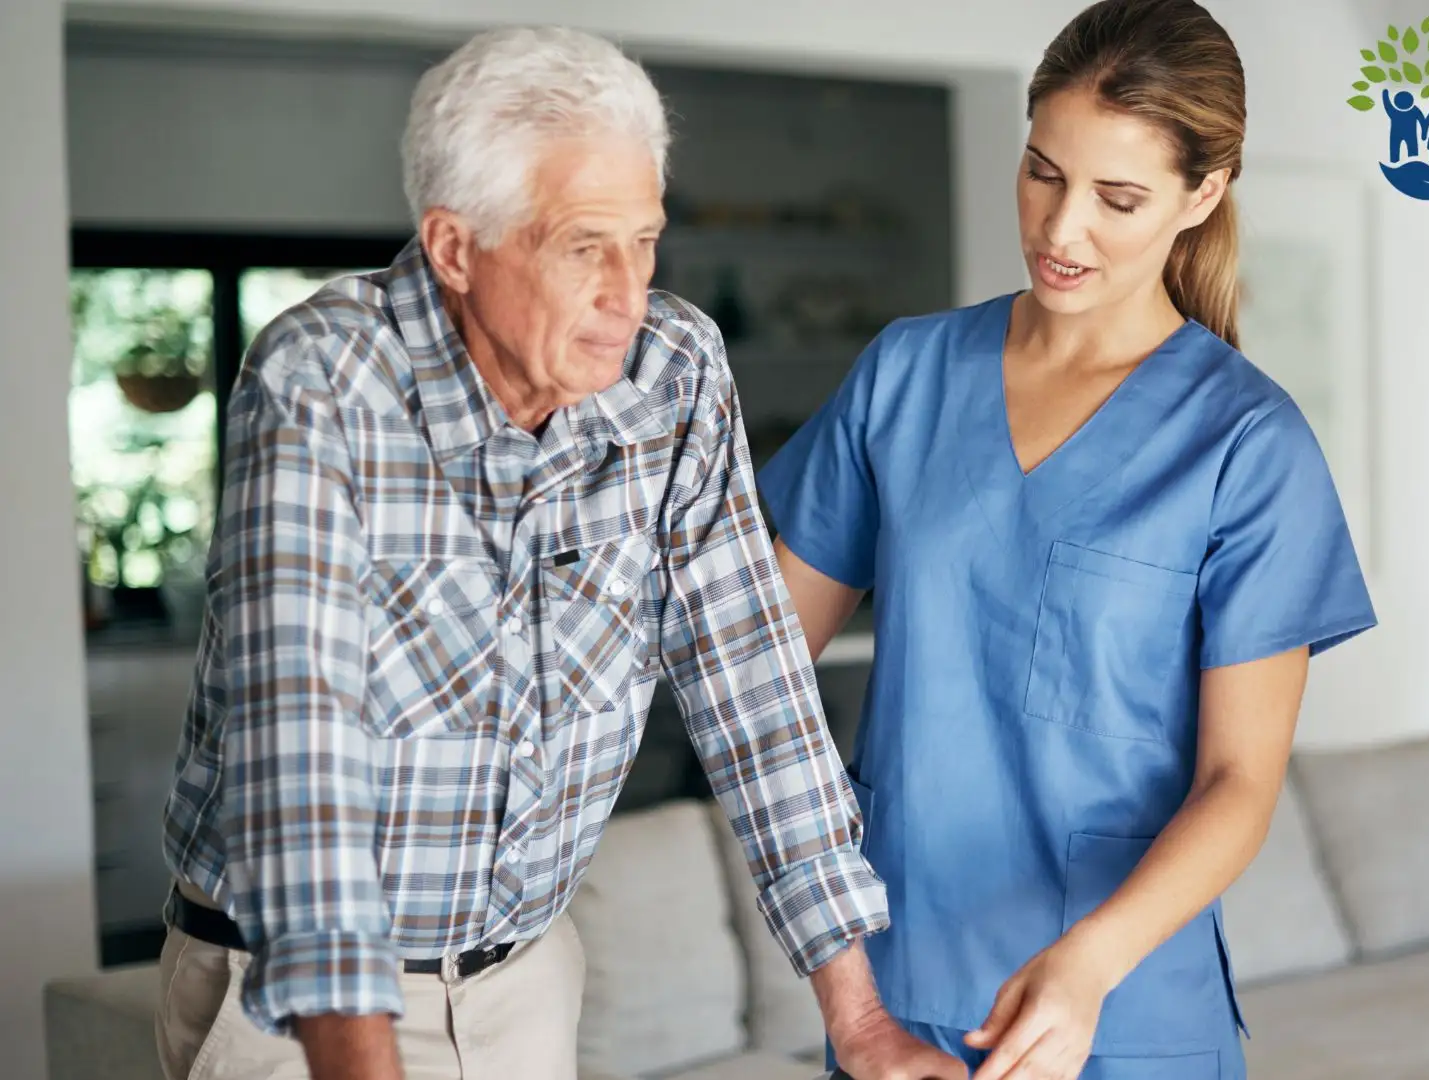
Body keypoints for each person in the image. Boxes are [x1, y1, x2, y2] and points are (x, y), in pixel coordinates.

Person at [154, 25, 965, 1080]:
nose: (628, 292)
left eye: (646, 240)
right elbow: (297, 758)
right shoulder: (322, 380)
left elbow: (754, 685)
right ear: (455, 249)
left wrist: (859, 1018)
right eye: (585, 247)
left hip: (525, 983)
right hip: (297, 1000)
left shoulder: (673, 372)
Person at [757, 1, 1377, 1078]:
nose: (1060, 228)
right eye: (1043, 172)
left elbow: (1239, 783)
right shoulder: (905, 376)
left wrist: (1089, 965)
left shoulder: (1246, 445)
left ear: (1202, 195)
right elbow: (750, 675)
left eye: (1117, 198)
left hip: (1123, 1011)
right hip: (895, 999)